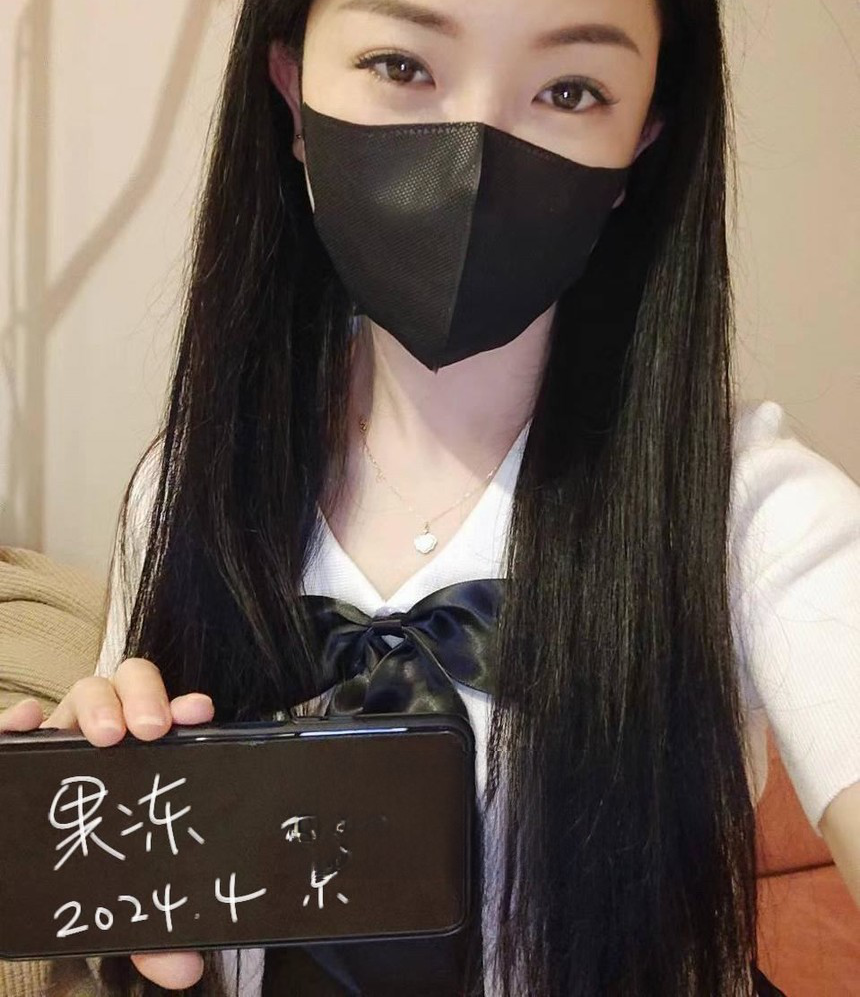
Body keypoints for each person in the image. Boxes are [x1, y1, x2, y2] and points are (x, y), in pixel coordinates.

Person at [2, 0, 858, 993]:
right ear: (292, 92)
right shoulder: (184, 486)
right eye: (401, 66)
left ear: (642, 140)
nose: (473, 154)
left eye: (570, 90)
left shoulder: (749, 508)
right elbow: (140, 909)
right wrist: (96, 818)